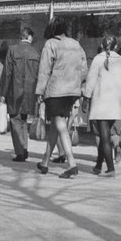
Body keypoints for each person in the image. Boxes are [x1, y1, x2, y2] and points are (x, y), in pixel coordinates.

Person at [34, 17, 88, 179]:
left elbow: (44, 71)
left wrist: (39, 92)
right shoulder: (76, 44)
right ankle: (45, 162)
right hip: (72, 91)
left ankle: (72, 163)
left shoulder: (51, 44)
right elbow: (84, 69)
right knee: (55, 128)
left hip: (56, 89)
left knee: (60, 124)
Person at [83, 34, 121, 177]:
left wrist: (86, 97)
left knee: (104, 137)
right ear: (116, 46)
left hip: (101, 103)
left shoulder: (98, 59)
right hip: (116, 103)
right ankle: (98, 165)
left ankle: (110, 168)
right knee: (107, 134)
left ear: (102, 45)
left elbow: (90, 80)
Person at [0, 26, 40, 162]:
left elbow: (7, 73)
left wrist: (2, 93)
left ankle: (20, 152)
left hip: (14, 90)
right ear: (30, 37)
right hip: (30, 92)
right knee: (23, 120)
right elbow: (39, 74)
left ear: (21, 37)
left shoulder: (12, 50)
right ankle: (24, 148)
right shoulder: (35, 52)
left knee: (15, 120)